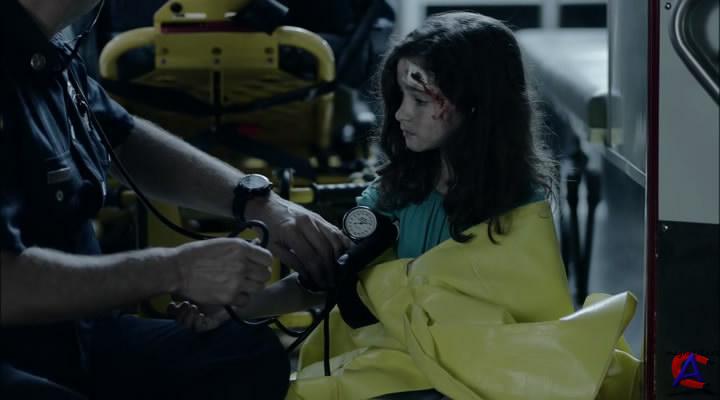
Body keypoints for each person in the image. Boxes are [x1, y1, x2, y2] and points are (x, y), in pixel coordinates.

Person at [175, 12, 642, 400]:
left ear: (476, 105)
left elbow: (523, 323)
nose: (400, 114)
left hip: (483, 372)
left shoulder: (518, 206)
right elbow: (333, 278)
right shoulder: (393, 193)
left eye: (419, 100)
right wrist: (236, 309)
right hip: (392, 365)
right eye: (400, 97)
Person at [0, 0, 351, 399]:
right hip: (15, 353)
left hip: (81, 335)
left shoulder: (49, 48)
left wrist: (258, 202)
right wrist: (175, 270)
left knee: (245, 357)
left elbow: (121, 136)